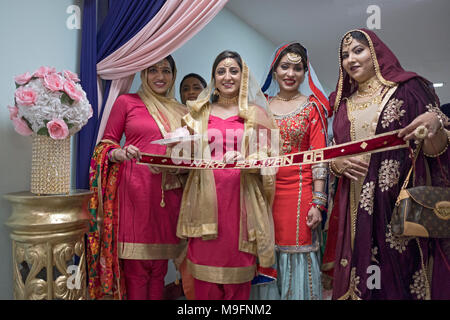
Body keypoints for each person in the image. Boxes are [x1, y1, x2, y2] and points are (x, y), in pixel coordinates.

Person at [322, 29, 450, 300]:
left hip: (401, 204)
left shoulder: (408, 89)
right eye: (345, 55)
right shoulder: (343, 103)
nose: (351, 59)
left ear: (377, 53)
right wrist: (337, 163)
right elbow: (334, 155)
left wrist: (435, 126)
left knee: (402, 276)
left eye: (358, 50)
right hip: (355, 207)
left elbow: (435, 152)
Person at [175, 50, 278, 300]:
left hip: (242, 206)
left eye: (234, 70)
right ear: (214, 77)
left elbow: (271, 156)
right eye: (221, 71)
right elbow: (181, 156)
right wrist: (179, 146)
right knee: (205, 286)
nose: (227, 76)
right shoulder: (198, 113)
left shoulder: (256, 114)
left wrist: (248, 160)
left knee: (237, 285)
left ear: (243, 77)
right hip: (203, 204)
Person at [87, 56, 187, 300]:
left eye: (166, 70)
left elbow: (189, 156)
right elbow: (106, 145)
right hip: (135, 193)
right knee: (136, 269)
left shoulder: (183, 112)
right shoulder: (127, 102)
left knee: (160, 269)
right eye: (153, 70)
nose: (160, 76)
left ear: (173, 75)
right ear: (143, 74)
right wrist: (120, 153)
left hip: (169, 195)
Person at [252, 42, 331, 300]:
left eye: (297, 68)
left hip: (299, 193)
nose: (290, 73)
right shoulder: (260, 106)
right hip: (262, 193)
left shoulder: (312, 108)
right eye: (284, 67)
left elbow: (319, 159)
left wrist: (317, 203)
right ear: (274, 71)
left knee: (296, 252)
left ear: (305, 73)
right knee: (263, 251)